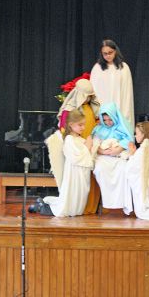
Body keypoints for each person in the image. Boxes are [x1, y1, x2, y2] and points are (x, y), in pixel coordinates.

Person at [46, 78, 100, 214]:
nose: (89, 98)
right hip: (78, 151)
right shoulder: (70, 111)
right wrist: (84, 146)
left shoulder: (91, 107)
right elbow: (66, 136)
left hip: (88, 146)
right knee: (75, 185)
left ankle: (89, 207)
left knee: (88, 181)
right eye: (87, 96)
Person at [41, 110, 94, 217]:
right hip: (74, 173)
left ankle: (76, 210)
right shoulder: (69, 139)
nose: (83, 127)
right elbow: (75, 157)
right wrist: (88, 146)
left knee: (81, 194)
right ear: (71, 125)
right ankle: (48, 208)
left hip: (82, 173)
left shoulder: (79, 138)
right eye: (80, 125)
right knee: (72, 195)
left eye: (83, 124)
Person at [92, 102, 134, 214]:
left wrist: (119, 148)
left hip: (118, 156)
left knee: (123, 169)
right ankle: (107, 202)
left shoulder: (123, 127)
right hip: (103, 157)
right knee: (100, 169)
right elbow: (95, 143)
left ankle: (123, 202)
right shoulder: (98, 129)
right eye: (104, 120)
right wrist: (101, 151)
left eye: (110, 119)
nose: (107, 122)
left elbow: (129, 140)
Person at [90, 39, 135, 128]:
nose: (108, 56)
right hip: (102, 112)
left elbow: (127, 93)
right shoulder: (97, 68)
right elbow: (93, 92)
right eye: (105, 54)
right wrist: (97, 113)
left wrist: (125, 114)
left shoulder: (124, 68)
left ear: (115, 51)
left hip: (120, 109)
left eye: (110, 52)